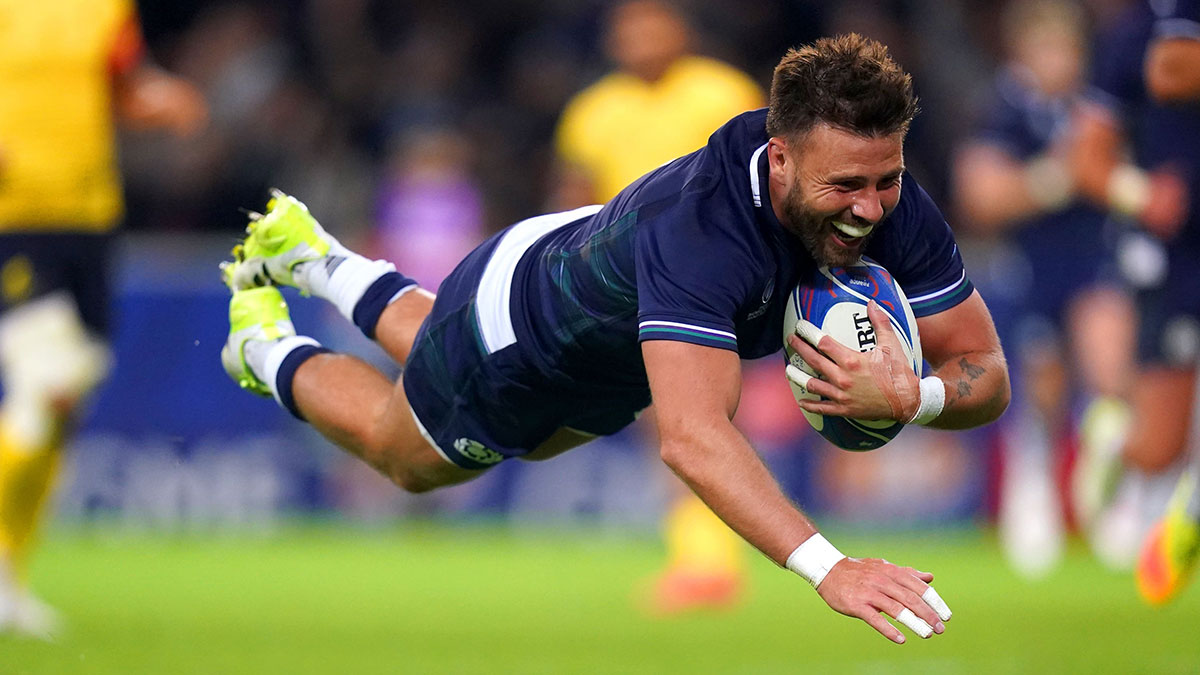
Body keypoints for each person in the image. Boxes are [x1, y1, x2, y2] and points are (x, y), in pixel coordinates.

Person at [221, 34, 1007, 643]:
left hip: (591, 318)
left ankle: (313, 256)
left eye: (886, 180)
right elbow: (695, 437)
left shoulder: (878, 190)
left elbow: (985, 369)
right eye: (846, 187)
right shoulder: (706, 236)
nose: (871, 210)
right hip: (520, 337)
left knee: (443, 355)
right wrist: (830, 567)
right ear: (780, 159)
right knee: (408, 454)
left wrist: (917, 394)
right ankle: (261, 347)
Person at [0, 0, 207, 637]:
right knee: (46, 380)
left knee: (68, 397)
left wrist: (159, 97)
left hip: (89, 221)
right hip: (15, 219)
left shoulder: (104, 10)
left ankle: (9, 576)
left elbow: (123, 84)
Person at [552, 0, 765, 612]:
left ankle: (709, 561)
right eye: (627, 29)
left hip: (714, 273)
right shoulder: (593, 109)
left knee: (698, 413)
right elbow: (575, 204)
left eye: (652, 24)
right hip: (628, 280)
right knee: (670, 419)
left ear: (681, 30)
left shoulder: (722, 91)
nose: (639, 38)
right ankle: (704, 558)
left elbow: (759, 178)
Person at [952, 0, 1134, 578]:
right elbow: (981, 196)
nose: (1058, 61)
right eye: (1045, 49)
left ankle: (1109, 494)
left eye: (1066, 49)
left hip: (1096, 253)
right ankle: (1033, 495)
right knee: (1043, 389)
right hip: (1030, 262)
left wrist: (1107, 177)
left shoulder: (1098, 105)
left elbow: (1126, 175)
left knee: (1111, 377)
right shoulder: (1003, 109)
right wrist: (1057, 177)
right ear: (1022, 52)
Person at [1068, 0, 1200, 600]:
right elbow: (1089, 155)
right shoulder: (1135, 33)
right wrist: (1140, 193)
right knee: (1159, 445)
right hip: (1177, 251)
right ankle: (1116, 439)